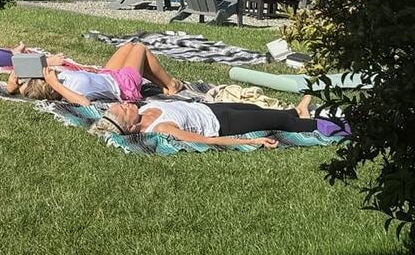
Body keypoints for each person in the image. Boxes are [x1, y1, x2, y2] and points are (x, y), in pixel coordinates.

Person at [90, 95, 343, 148]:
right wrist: (251, 141)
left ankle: (297, 110)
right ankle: (335, 126)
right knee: (281, 122)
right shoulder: (163, 128)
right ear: (131, 127)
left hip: (210, 108)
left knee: (257, 108)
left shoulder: (144, 108)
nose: (126, 104)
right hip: (224, 123)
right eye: (123, 109)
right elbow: (207, 141)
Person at [6, 43, 183, 105]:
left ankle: (163, 84)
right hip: (123, 85)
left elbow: (22, 88)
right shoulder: (67, 92)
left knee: (128, 47)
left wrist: (11, 86)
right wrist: (56, 84)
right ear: (48, 86)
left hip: (107, 75)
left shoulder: (43, 86)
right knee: (139, 48)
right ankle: (171, 85)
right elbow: (85, 103)